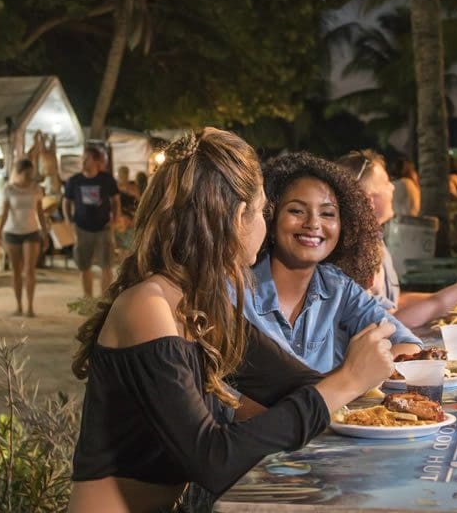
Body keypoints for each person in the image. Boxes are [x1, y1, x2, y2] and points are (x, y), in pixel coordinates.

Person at [70, 129, 396, 513]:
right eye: (262, 212)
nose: (265, 226)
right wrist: (347, 381)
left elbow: (295, 385)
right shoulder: (149, 306)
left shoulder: (201, 307)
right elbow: (212, 459)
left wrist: (391, 398)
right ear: (240, 216)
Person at [243, 152, 421, 372]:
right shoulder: (237, 292)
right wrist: (348, 377)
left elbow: (410, 346)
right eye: (296, 211)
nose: (313, 223)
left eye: (327, 214)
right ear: (270, 216)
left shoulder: (337, 287)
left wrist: (361, 372)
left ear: (344, 225)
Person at [337, 149, 457, 329]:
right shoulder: (354, 252)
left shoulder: (374, 240)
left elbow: (395, 301)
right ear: (369, 200)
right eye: (386, 182)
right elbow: (386, 321)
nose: (393, 187)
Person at [64, 145, 121, 298]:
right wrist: (69, 220)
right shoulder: (74, 180)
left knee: (106, 265)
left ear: (96, 161)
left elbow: (115, 200)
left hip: (103, 227)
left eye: (87, 159)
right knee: (84, 266)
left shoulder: (106, 179)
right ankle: (87, 298)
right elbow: (66, 201)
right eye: (82, 159)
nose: (83, 161)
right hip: (82, 228)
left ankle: (104, 299)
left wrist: (114, 219)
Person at [0, 158, 47, 317]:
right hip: (12, 232)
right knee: (16, 271)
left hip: (31, 231)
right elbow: (4, 213)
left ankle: (30, 307)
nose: (29, 176)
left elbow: (40, 212)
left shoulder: (36, 188)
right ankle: (19, 306)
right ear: (19, 172)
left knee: (29, 270)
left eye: (30, 173)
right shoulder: (9, 189)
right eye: (26, 173)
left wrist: (44, 232)